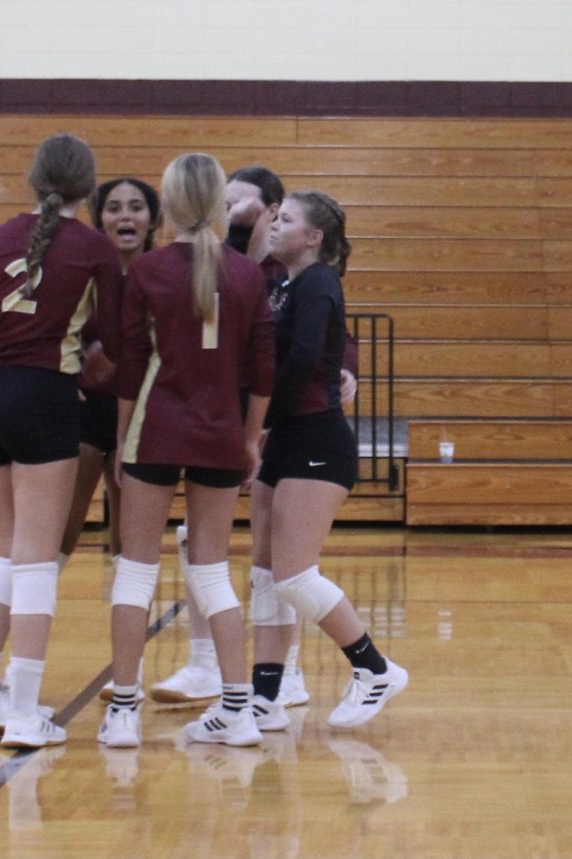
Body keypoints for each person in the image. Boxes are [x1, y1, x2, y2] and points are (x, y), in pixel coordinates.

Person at [0, 133, 123, 748]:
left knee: (13, 554)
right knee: (37, 563)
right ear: (88, 189)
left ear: (32, 181)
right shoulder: (95, 249)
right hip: (43, 398)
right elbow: (113, 335)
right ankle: (22, 712)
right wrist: (94, 356)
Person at [150, 166, 357, 709]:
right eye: (228, 203)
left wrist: (343, 368)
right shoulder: (239, 265)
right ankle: (224, 672)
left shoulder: (296, 276)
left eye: (254, 207)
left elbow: (320, 339)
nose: (238, 213)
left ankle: (305, 673)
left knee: (280, 567)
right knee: (225, 551)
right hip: (235, 423)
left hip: (275, 427)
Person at [98, 152, 274, 748]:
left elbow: (131, 368)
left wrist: (123, 439)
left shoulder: (147, 271)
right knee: (214, 573)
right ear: (220, 205)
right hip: (222, 432)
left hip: (157, 427)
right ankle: (239, 711)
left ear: (167, 206)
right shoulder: (250, 275)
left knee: (135, 571)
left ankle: (123, 712)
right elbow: (262, 371)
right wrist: (250, 438)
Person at [251, 190, 407, 730]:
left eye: (286, 219)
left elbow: (300, 360)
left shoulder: (318, 282)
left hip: (316, 440)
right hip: (286, 440)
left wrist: (261, 422)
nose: (276, 224)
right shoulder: (283, 284)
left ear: (313, 237)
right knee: (267, 576)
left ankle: (375, 669)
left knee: (293, 576)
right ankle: (264, 698)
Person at [59, 177, 162, 568]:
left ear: (152, 220)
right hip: (83, 413)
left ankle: (129, 626)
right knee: (58, 537)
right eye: (114, 207)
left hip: (140, 416)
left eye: (135, 207)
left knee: (130, 549)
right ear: (99, 218)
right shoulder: (80, 272)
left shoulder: (162, 274)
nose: (125, 215)